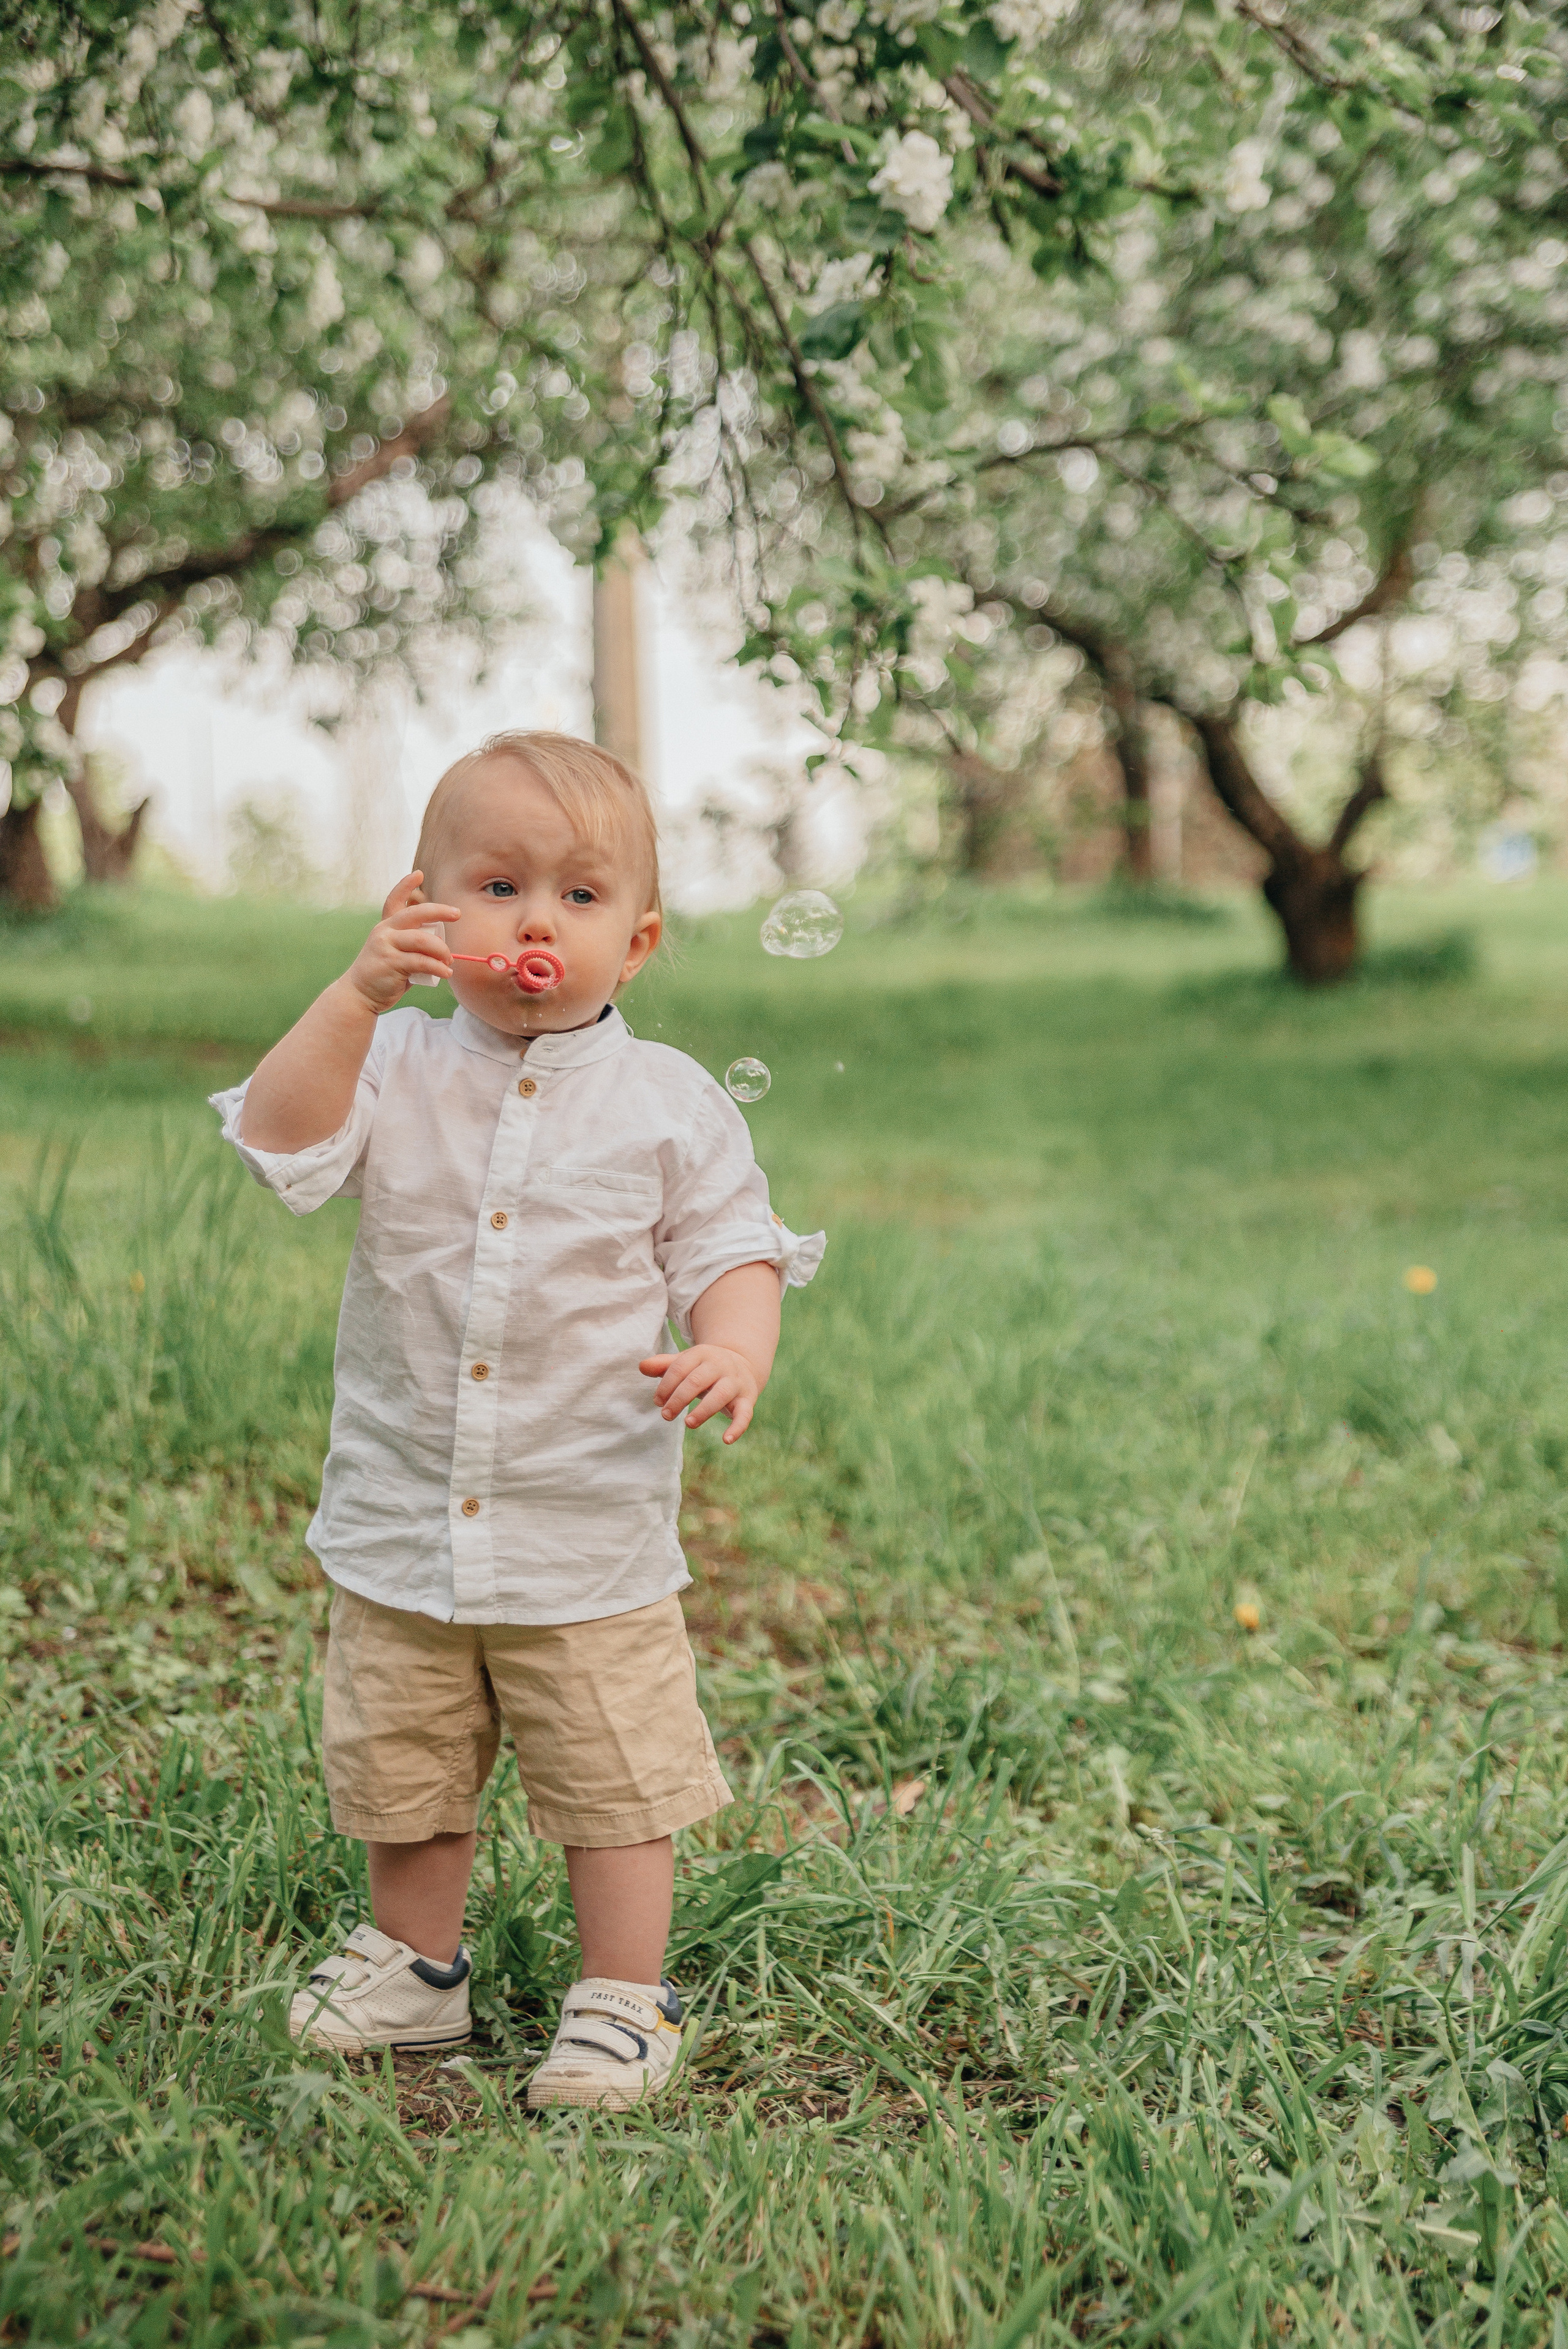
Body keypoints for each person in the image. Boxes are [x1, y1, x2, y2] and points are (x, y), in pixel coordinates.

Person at [212, 730, 822, 2109]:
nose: (536, 921)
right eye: (493, 888)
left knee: (611, 1771)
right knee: (405, 1764)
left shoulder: (670, 1103)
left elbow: (732, 1243)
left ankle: (622, 1998)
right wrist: (351, 999)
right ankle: (414, 1972)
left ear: (639, 939)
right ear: (420, 911)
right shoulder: (394, 1064)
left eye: (579, 897)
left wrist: (732, 1344)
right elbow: (281, 1139)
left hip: (583, 1519)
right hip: (405, 1506)